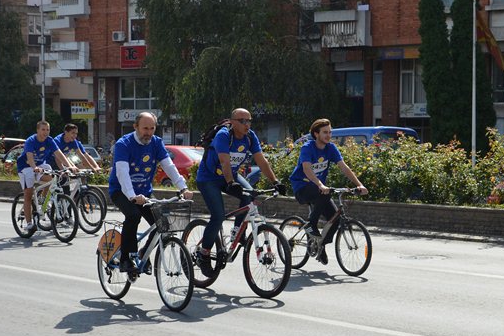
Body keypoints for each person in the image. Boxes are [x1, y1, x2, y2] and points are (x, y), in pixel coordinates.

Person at [195, 108, 286, 277]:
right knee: (218, 216)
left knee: (250, 195)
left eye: (249, 120)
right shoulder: (224, 135)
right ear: (232, 122)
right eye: (242, 121)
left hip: (231, 176)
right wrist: (230, 182)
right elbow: (224, 161)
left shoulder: (250, 136)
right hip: (209, 178)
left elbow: (261, 160)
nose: (247, 124)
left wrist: (275, 182)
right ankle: (204, 253)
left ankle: (237, 231)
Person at [109, 112, 193, 272]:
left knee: (163, 223)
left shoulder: (156, 143)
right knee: (133, 216)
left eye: (152, 128)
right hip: (121, 191)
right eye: (145, 128)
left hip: (145, 192)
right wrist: (132, 196)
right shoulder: (123, 144)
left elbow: (169, 166)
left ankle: (143, 253)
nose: (148, 132)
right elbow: (122, 172)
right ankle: (125, 259)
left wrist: (183, 187)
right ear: (135, 127)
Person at [289, 118, 368, 264]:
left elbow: (344, 167)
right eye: (325, 132)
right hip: (302, 187)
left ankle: (320, 246)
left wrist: (359, 185)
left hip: (319, 190)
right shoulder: (307, 147)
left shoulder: (330, 148)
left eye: (330, 132)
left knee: (335, 218)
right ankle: (310, 224)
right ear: (316, 133)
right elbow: (307, 169)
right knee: (323, 194)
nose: (328, 135)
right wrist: (320, 184)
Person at [16, 121, 78, 231]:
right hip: (25, 167)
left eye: (48, 130)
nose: (46, 132)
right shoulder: (31, 141)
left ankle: (42, 199)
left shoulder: (49, 140)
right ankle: (29, 223)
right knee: (28, 195)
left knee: (51, 175)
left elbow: (59, 154)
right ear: (38, 130)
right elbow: (30, 158)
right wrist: (34, 167)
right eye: (43, 129)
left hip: (40, 165)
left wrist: (69, 167)